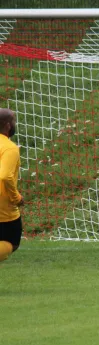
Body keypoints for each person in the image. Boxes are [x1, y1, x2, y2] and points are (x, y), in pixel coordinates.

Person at [0, 108, 24, 262]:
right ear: (8, 125)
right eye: (14, 120)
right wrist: (16, 197)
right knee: (12, 242)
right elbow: (5, 176)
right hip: (4, 209)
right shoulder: (9, 148)